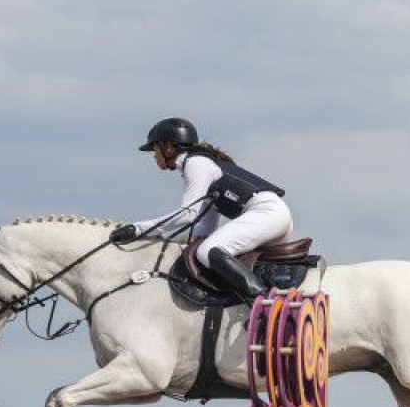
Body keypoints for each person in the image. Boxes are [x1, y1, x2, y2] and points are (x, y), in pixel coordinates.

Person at [109, 117, 293, 301]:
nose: (153, 155)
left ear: (169, 147)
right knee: (206, 248)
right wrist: (161, 239)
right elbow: (203, 227)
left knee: (207, 251)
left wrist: (139, 229)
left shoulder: (196, 164)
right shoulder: (202, 164)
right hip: (273, 217)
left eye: (155, 149)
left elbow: (187, 214)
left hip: (266, 214)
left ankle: (264, 302)